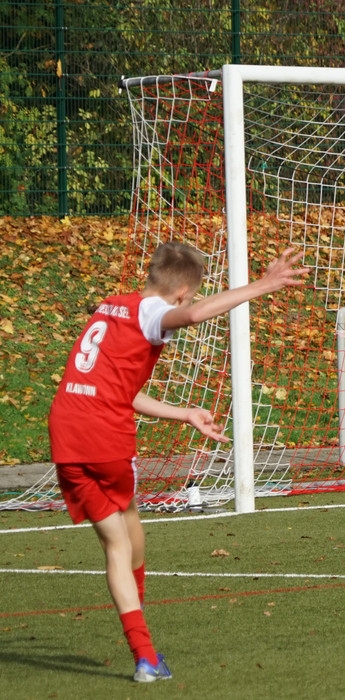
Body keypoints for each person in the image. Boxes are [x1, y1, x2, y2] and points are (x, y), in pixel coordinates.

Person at [48, 242, 308, 682]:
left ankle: (144, 647)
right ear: (184, 292)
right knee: (124, 540)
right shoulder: (155, 312)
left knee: (118, 537)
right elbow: (191, 316)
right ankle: (144, 653)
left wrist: (184, 413)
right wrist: (263, 285)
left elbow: (119, 391)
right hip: (104, 436)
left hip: (65, 432)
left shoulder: (112, 306)